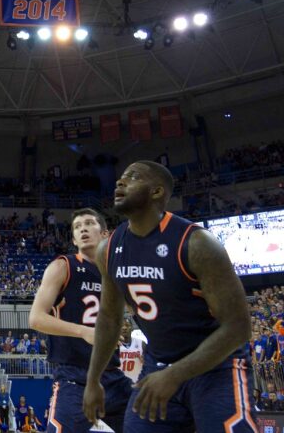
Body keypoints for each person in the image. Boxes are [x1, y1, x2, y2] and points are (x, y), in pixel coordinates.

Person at [84, 160, 256, 432]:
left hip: (216, 367)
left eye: (133, 177)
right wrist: (93, 380)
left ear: (156, 192)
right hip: (158, 365)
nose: (120, 181)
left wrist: (176, 375)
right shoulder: (109, 248)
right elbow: (108, 318)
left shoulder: (197, 243)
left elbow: (238, 327)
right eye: (121, 177)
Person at [29, 208, 131, 432]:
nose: (83, 228)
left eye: (89, 223)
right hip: (74, 377)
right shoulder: (63, 266)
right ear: (74, 239)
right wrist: (84, 331)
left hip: (113, 375)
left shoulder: (117, 273)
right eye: (77, 227)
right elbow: (36, 319)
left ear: (105, 234)